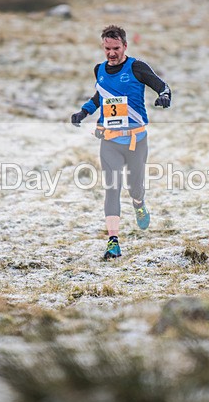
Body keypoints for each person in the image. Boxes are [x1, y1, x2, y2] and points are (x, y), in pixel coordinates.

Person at [71, 25, 172, 260]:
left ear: (125, 46)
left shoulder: (137, 67)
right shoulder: (99, 70)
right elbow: (100, 96)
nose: (111, 53)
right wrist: (83, 113)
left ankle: (139, 203)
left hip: (136, 141)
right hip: (109, 142)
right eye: (107, 48)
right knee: (112, 188)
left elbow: (162, 85)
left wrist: (164, 96)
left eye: (116, 48)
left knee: (134, 188)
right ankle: (113, 242)